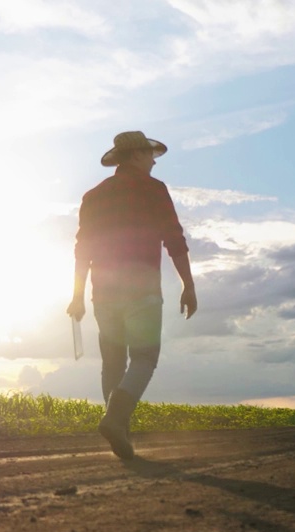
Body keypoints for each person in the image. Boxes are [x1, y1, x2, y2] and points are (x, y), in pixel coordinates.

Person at [68, 131, 197, 459]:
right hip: (141, 288)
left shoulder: (93, 196)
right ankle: (115, 420)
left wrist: (78, 294)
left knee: (113, 362)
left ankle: (119, 432)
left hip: (103, 292)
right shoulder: (153, 189)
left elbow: (83, 249)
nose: (154, 161)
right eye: (150, 155)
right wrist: (188, 284)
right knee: (144, 357)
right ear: (137, 155)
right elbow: (174, 238)